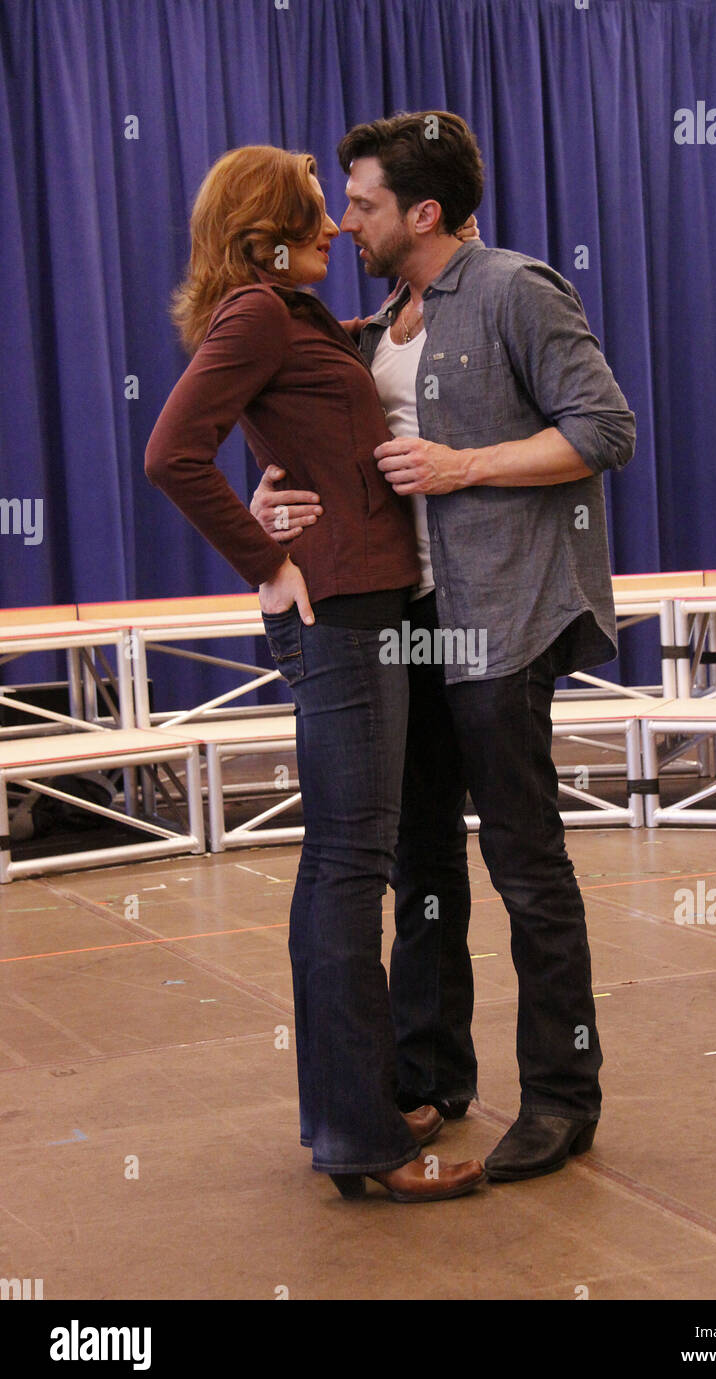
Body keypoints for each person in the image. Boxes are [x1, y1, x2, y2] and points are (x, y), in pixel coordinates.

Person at [252, 112, 637, 1183]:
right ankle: (427, 1077)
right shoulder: (374, 327)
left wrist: (466, 467)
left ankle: (562, 1097)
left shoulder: (516, 289)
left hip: (502, 622)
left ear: (422, 212)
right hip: (403, 625)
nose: (344, 217)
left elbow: (604, 429)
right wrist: (270, 503)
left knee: (524, 865)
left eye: (363, 201)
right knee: (419, 862)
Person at [144, 144, 485, 1203]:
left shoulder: (289, 318)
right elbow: (170, 452)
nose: (336, 229)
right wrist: (268, 558)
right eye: (318, 214)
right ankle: (361, 1139)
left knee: (354, 861)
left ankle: (362, 1105)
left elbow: (311, 405)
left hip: (364, 607)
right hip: (336, 615)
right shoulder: (254, 315)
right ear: (272, 231)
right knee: (347, 865)